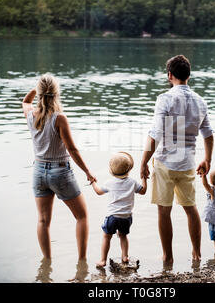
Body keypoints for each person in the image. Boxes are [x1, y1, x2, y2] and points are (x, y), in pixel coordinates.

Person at [140, 55, 214, 264]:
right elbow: (208, 134)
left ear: (169, 75)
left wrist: (144, 161)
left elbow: (156, 133)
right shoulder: (200, 101)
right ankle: (197, 254)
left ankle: (168, 256)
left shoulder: (165, 99)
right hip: (188, 163)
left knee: (164, 211)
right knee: (191, 209)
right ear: (188, 75)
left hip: (165, 162)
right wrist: (207, 160)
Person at [22, 73, 96, 261]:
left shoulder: (30, 114)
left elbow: (25, 101)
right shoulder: (59, 118)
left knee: (43, 221)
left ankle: (46, 264)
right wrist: (88, 172)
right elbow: (71, 149)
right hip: (60, 172)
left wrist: (36, 91)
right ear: (56, 93)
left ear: (40, 93)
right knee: (82, 216)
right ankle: (82, 263)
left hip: (38, 172)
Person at [91, 152, 147, 267]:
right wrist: (144, 179)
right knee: (123, 236)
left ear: (111, 171)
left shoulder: (109, 183)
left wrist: (93, 182)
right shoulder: (132, 182)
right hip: (126, 217)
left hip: (112, 216)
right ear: (129, 170)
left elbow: (98, 192)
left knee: (107, 236)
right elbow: (143, 191)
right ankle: (125, 256)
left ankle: (102, 260)